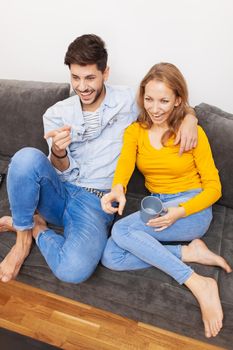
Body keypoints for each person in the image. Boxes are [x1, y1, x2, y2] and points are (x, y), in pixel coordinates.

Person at [0, 35, 198, 284]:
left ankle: (36, 227)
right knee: (24, 158)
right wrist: (59, 152)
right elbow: (57, 166)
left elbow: (167, 100)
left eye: (90, 77)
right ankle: (21, 242)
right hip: (58, 192)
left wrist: (191, 117)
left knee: (73, 271)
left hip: (96, 202)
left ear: (106, 73)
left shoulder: (128, 101)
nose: (82, 87)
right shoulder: (56, 113)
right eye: (75, 78)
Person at [100, 62, 232, 338]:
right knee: (111, 255)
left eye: (163, 100)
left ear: (178, 101)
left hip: (191, 208)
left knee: (121, 230)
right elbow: (124, 166)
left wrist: (180, 212)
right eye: (149, 99)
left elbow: (214, 189)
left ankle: (197, 282)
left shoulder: (192, 132)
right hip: (158, 204)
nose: (155, 108)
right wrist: (118, 188)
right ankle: (189, 253)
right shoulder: (134, 131)